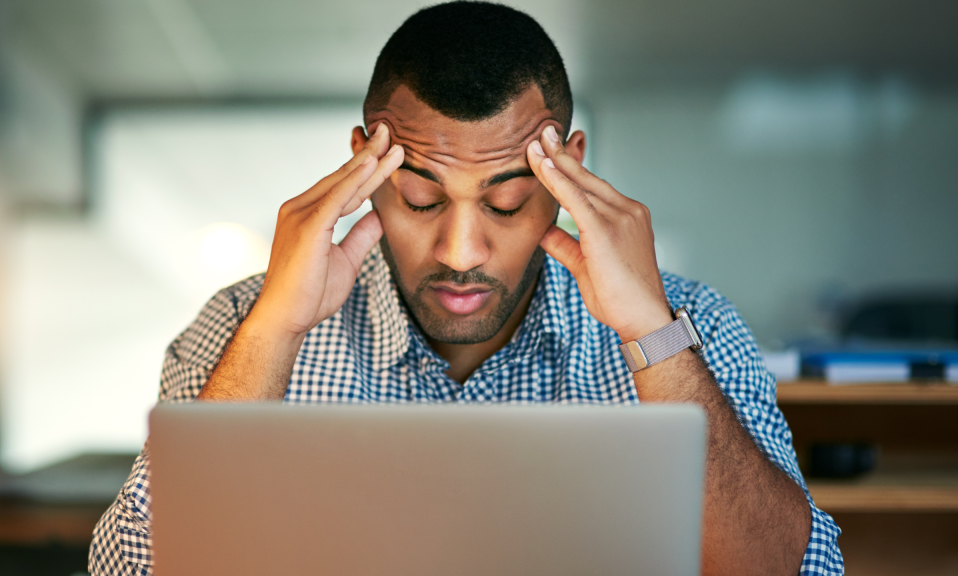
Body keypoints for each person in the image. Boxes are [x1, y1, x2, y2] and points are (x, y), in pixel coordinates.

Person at [90, 2, 843, 575]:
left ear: (570, 170)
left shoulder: (691, 323)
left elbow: (789, 569)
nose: (461, 251)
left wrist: (650, 330)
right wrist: (272, 335)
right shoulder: (237, 324)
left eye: (507, 201)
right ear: (365, 165)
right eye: (420, 199)